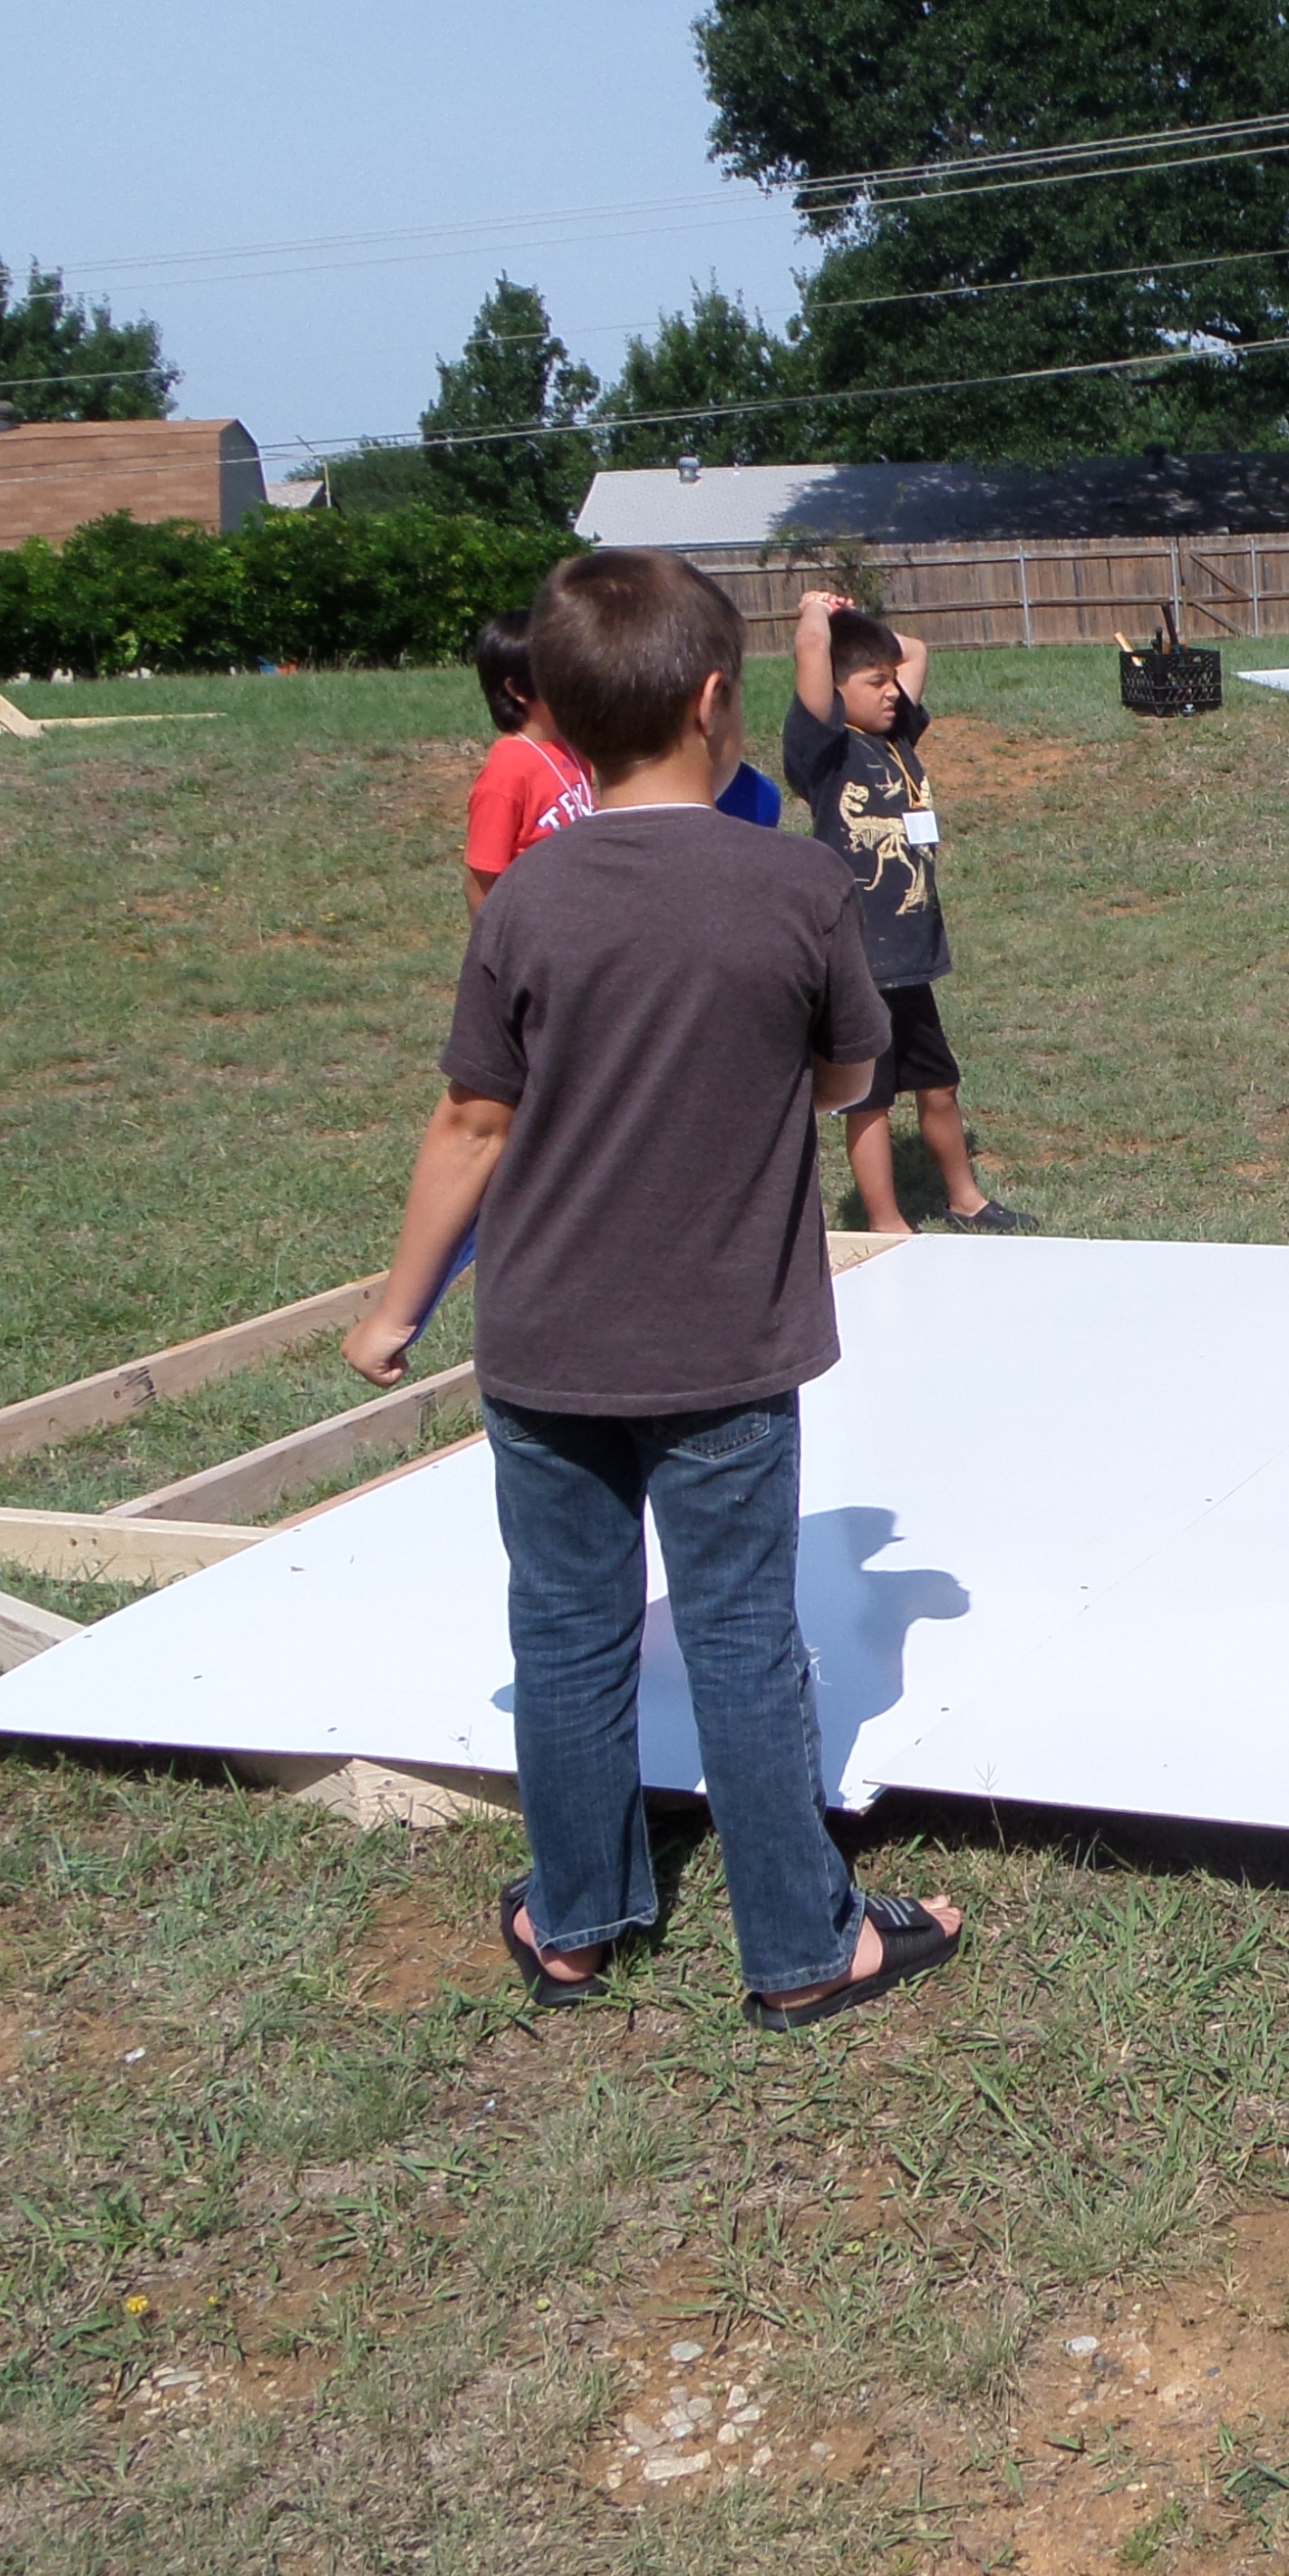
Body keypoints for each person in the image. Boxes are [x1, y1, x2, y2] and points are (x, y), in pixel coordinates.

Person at [343, 547, 961, 2031]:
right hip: (722, 1341)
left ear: (554, 714)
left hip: (544, 1342)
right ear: (714, 700)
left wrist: (396, 1309)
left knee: (566, 1625)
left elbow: (471, 1122)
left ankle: (572, 1921)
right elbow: (847, 1074)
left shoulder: (525, 901)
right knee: (740, 1631)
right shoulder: (798, 885)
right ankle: (804, 1947)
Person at [784, 588, 1034, 1238]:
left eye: (892, 681)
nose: (893, 691)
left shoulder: (895, 736)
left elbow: (915, 650)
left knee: (940, 1084)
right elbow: (812, 649)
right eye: (875, 683)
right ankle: (887, 1222)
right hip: (859, 962)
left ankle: (965, 1198)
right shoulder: (823, 749)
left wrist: (860, 628)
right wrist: (819, 613)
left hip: (912, 959)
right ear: (835, 690)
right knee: (869, 1102)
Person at [462, 608, 596, 912]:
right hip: (532, 924)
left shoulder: (573, 746)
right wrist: (492, 941)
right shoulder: (507, 772)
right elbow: (480, 883)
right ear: (517, 689)